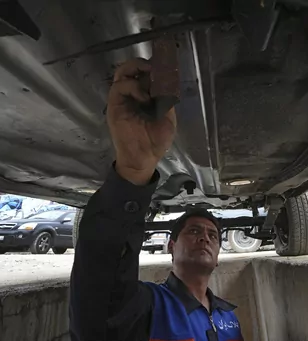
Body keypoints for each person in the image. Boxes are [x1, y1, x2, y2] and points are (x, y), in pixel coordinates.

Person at [69, 58, 244, 341]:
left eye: (213, 235)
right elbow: (99, 314)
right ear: (171, 246)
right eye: (195, 231)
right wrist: (132, 171)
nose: (206, 238)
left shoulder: (229, 318)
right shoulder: (148, 305)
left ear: (219, 255)